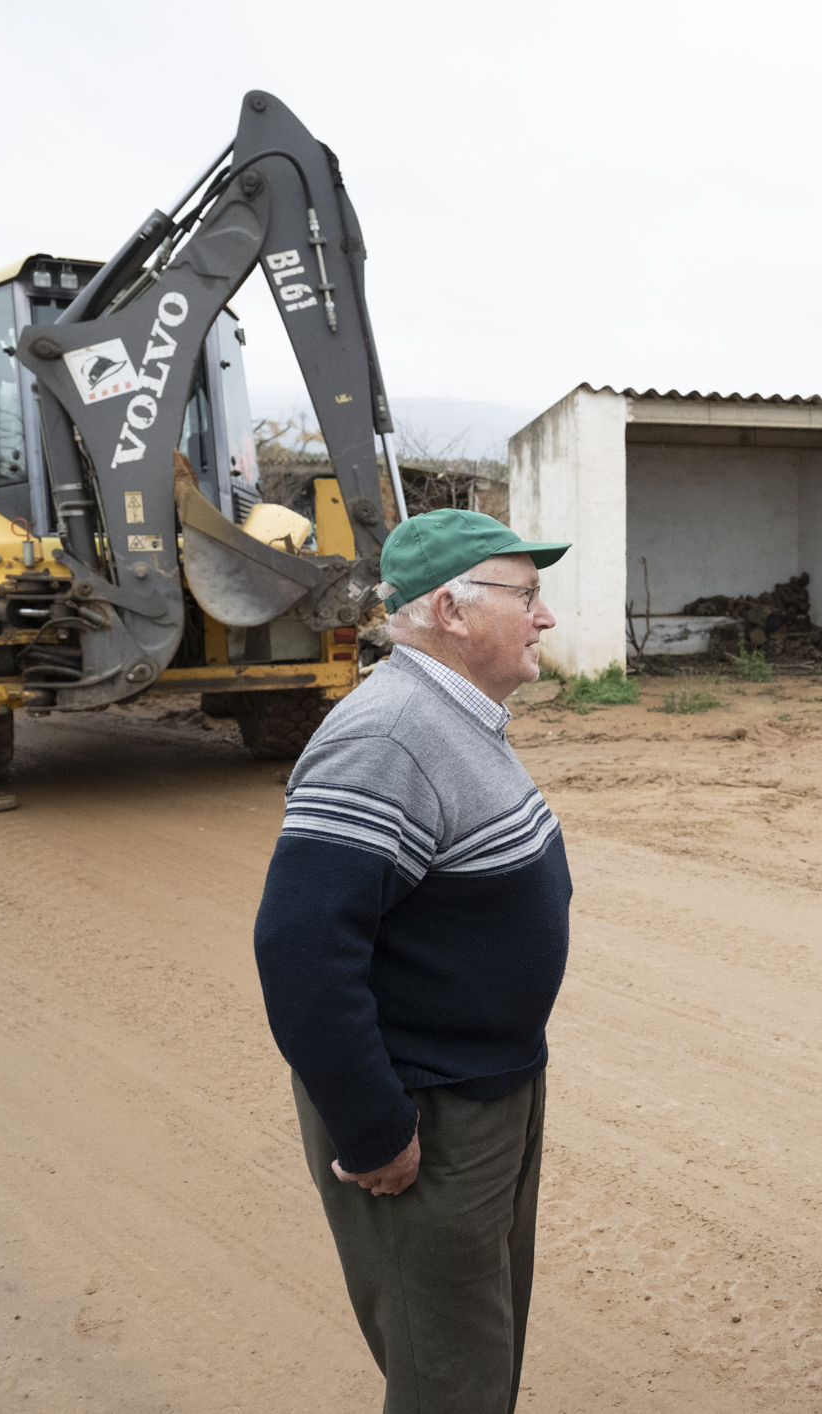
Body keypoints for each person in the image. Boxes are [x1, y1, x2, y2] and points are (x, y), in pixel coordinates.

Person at [253, 508, 572, 1414]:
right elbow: (302, 953)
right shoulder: (385, 737)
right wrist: (371, 1127)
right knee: (448, 1376)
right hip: (424, 1114)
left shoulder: (455, 715)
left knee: (481, 1343)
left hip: (485, 1089)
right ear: (452, 611)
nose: (544, 618)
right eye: (528, 596)